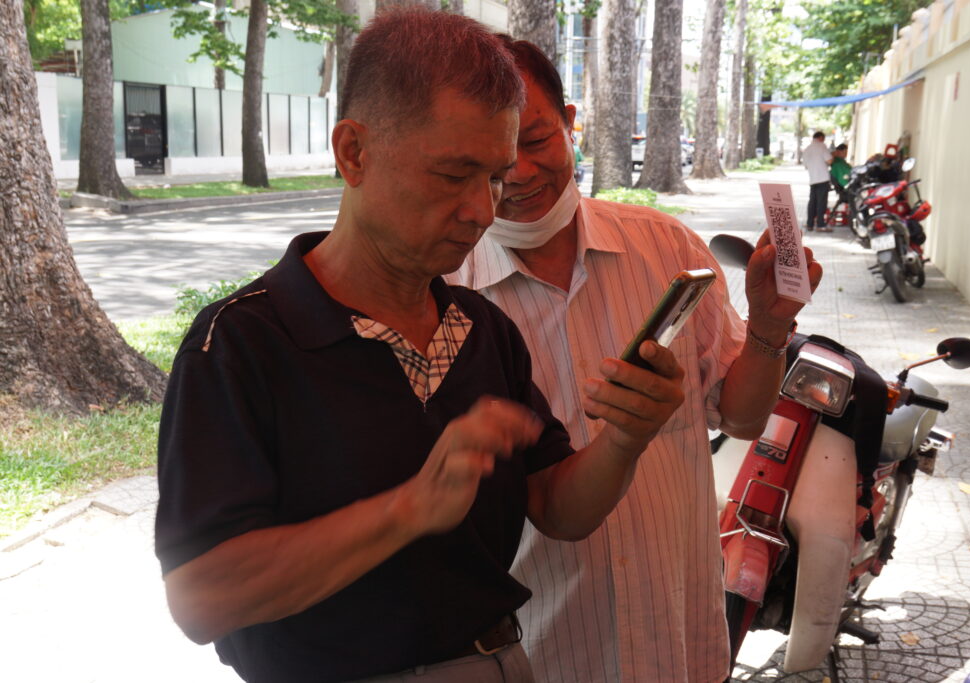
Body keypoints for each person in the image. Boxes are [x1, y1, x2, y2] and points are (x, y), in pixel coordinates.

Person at [154, 10, 685, 683]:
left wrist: (625, 437)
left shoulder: (479, 327)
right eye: (452, 174)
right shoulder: (241, 344)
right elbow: (203, 598)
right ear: (353, 152)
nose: (483, 210)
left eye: (492, 177)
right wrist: (407, 508)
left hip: (498, 660)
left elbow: (557, 507)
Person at [448, 37, 823, 683]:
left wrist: (769, 324)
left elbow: (738, 418)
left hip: (678, 630)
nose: (519, 173)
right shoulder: (445, 296)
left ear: (570, 122)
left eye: (536, 139)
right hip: (544, 645)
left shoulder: (664, 248)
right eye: (489, 157)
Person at [802, 131, 833, 231]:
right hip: (823, 179)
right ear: (820, 138)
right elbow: (829, 160)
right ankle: (820, 224)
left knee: (812, 202)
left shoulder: (807, 149)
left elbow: (806, 166)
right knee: (821, 202)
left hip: (813, 179)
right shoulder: (822, 146)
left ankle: (810, 224)